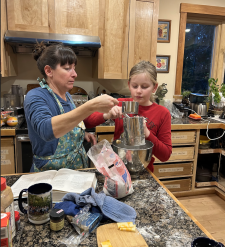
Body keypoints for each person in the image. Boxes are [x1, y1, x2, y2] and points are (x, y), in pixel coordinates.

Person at [24, 42, 119, 172]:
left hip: (76, 172)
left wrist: (82, 134)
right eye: (68, 68)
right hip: (49, 176)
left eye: (74, 68)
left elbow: (72, 122)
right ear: (48, 71)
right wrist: (92, 105)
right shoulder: (35, 96)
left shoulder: (67, 96)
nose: (74, 74)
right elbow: (47, 130)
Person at [107, 61, 172, 172]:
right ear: (129, 85)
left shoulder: (163, 113)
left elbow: (165, 155)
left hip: (144, 170)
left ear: (154, 87)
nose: (138, 91)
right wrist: (107, 114)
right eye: (134, 86)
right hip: (117, 170)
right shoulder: (121, 104)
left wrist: (147, 133)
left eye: (145, 87)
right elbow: (88, 121)